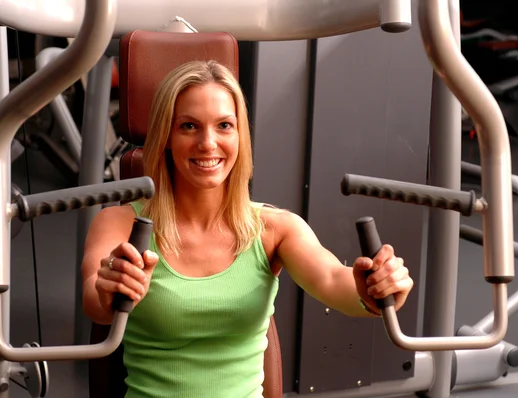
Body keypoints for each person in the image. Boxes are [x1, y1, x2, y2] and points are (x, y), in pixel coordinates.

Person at [81, 60, 414, 398]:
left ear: (240, 135)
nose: (208, 143)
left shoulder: (275, 229)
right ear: (167, 135)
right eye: (189, 126)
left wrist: (377, 289)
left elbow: (333, 279)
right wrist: (111, 287)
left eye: (224, 125)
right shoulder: (120, 223)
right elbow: (95, 300)